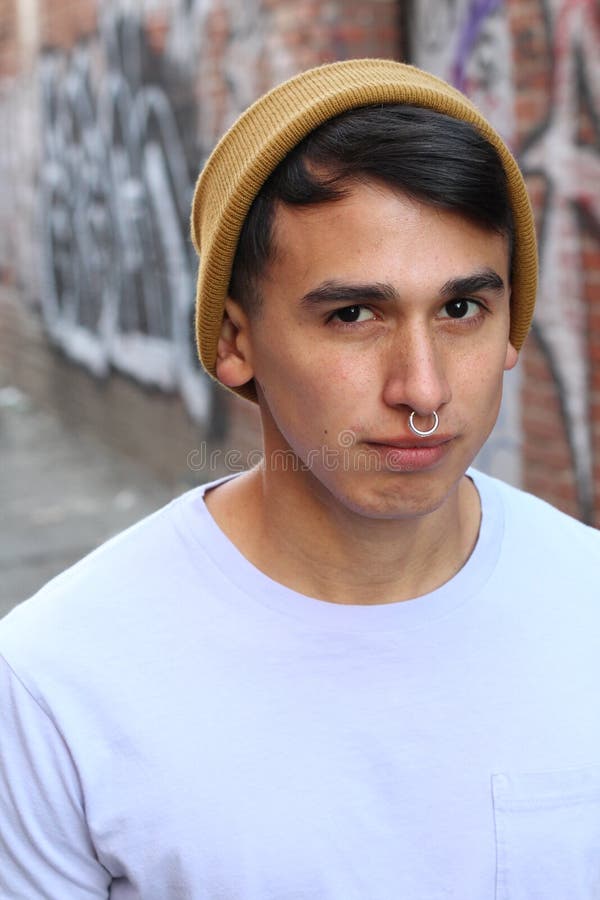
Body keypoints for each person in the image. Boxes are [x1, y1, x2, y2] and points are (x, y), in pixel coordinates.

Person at [1, 58, 599, 900]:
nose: (423, 391)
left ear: (512, 327)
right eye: (354, 315)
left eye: (462, 309)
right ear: (234, 342)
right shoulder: (57, 684)